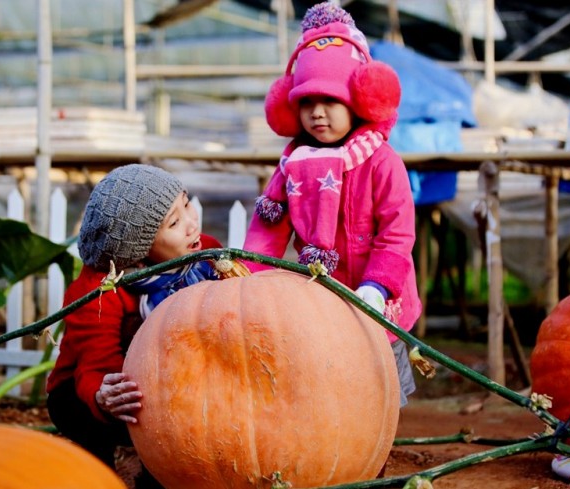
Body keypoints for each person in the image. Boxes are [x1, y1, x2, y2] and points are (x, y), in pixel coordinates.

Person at [242, 2, 421, 408]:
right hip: (322, 297)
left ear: (358, 101)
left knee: (382, 386)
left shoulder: (381, 161)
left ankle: (379, 447)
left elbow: (397, 234)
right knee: (332, 385)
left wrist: (376, 287)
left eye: (330, 100)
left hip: (381, 299)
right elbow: (267, 232)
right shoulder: (294, 165)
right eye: (306, 102)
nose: (317, 113)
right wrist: (247, 278)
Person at [46, 164, 222, 488]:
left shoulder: (207, 256)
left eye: (186, 203)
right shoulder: (100, 291)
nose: (191, 223)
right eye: (174, 222)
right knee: (97, 421)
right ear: (138, 251)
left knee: (172, 434)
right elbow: (95, 365)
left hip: (165, 382)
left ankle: (157, 473)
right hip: (88, 389)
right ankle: (97, 469)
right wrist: (104, 396)